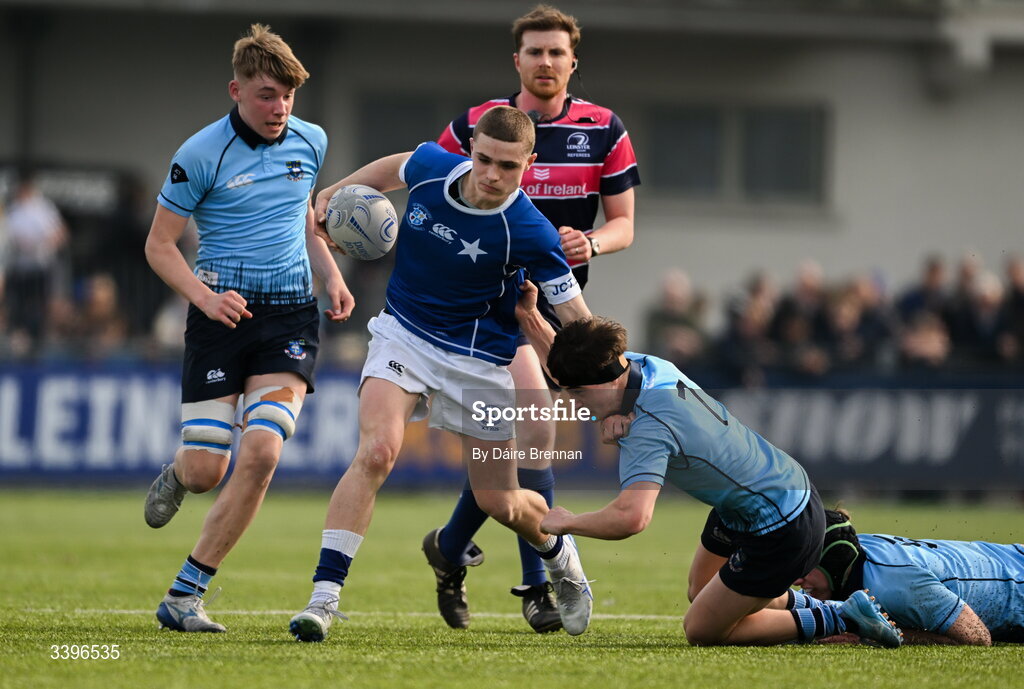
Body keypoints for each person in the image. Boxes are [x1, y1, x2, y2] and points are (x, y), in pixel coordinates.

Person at [287, 105, 594, 643]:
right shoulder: (433, 166)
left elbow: (578, 320)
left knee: (501, 502)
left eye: (508, 166)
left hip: (479, 362)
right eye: (484, 160)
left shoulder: (531, 231)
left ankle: (561, 557)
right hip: (402, 334)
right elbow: (393, 167)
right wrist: (332, 195)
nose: (493, 176)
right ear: (469, 148)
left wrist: (614, 379)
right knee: (377, 451)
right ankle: (324, 599)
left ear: (530, 163)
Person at [514, 284, 903, 647]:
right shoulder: (641, 366)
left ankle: (844, 619)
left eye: (578, 395)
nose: (575, 404)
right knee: (701, 590)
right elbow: (577, 370)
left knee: (701, 630)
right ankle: (828, 608)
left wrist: (565, 523)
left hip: (781, 524)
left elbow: (631, 518)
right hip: (759, 495)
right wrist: (530, 317)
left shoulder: (648, 427)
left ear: (602, 384)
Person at [431, 3, 640, 634]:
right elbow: (432, 190)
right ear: (516, 60)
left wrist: (593, 244)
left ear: (573, 61)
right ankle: (538, 585)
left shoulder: (604, 129)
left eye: (556, 52)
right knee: (536, 436)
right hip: (490, 309)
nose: (545, 61)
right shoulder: (478, 124)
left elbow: (625, 224)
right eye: (534, 51)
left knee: (517, 450)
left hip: (559, 306)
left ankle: (448, 549)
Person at [142, 24, 354, 633]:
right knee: (208, 470)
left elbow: (305, 219)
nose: (279, 107)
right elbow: (159, 247)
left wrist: (331, 276)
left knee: (261, 452)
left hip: (289, 316)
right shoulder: (199, 155)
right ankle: (180, 473)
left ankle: (185, 595)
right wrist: (206, 300)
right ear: (236, 90)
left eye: (287, 94)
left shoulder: (310, 141)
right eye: (265, 94)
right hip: (220, 321)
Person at [784, 510, 1024, 646]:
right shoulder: (854, 557)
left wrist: (869, 637)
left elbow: (978, 638)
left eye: (806, 568)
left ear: (834, 563)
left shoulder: (894, 584)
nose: (797, 580)